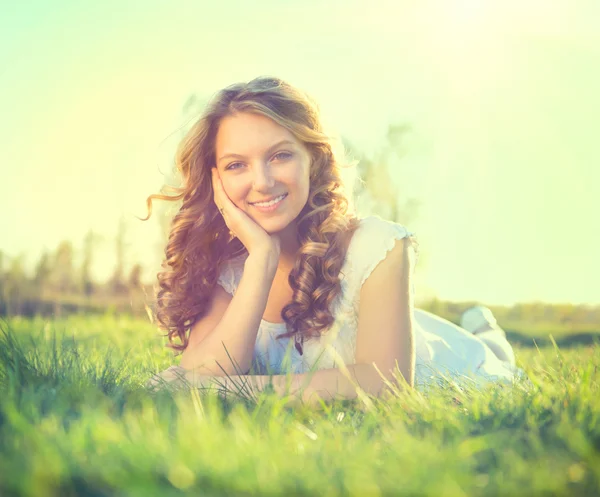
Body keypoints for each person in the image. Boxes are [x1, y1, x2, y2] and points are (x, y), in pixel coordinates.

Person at [144, 76, 527, 404]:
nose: (262, 181)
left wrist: (237, 390)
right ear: (216, 180)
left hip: (452, 363)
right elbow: (202, 373)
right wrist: (261, 259)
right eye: (236, 165)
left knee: (494, 358)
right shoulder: (226, 266)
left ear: (313, 159)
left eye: (279, 156)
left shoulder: (378, 246)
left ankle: (486, 332)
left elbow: (387, 387)